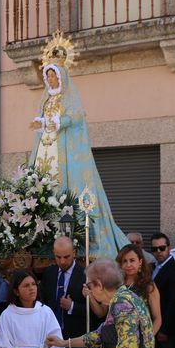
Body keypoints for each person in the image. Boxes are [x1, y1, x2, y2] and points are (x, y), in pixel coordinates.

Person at [28, 34, 128, 258]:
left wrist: (52, 122)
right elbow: (42, 121)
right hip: (46, 148)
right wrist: (40, 123)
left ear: (61, 77)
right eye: (49, 76)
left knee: (67, 188)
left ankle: (80, 237)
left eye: (54, 75)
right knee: (43, 185)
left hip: (63, 148)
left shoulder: (68, 98)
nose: (51, 79)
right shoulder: (45, 100)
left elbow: (74, 118)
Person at [117, 244, 162, 334]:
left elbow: (158, 319)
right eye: (124, 261)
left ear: (140, 262)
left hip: (141, 341)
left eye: (132, 260)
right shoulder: (115, 285)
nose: (128, 264)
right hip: (116, 341)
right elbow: (102, 312)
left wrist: (146, 340)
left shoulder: (148, 286)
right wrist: (90, 296)